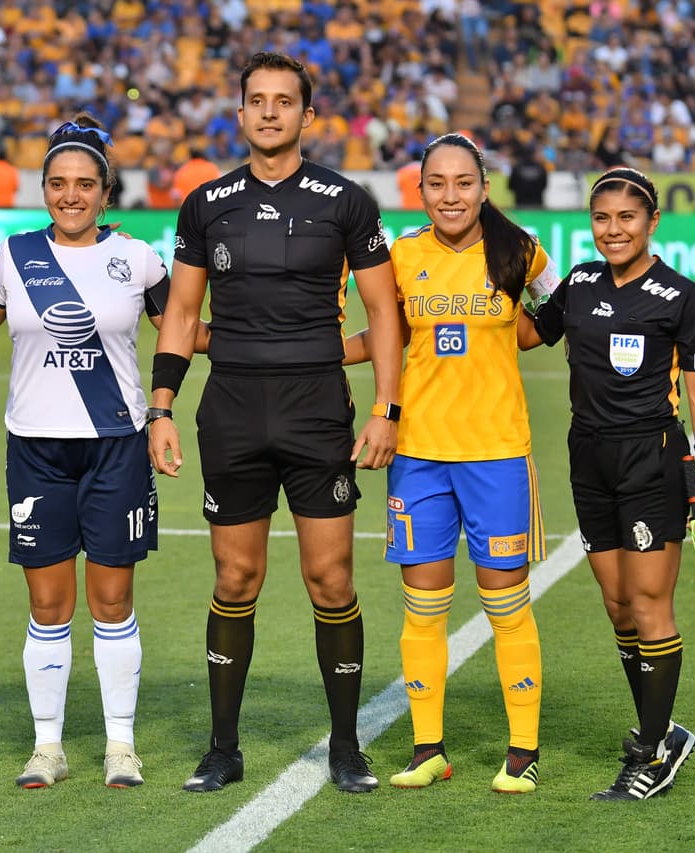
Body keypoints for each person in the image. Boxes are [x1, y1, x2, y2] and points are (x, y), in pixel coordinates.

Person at [148, 51, 404, 794]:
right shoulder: (206, 203)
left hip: (318, 408)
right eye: (256, 100)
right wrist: (161, 407)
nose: (269, 112)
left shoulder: (346, 201)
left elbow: (384, 312)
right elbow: (183, 314)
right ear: (240, 114)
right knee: (236, 576)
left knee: (330, 578)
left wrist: (386, 407)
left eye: (283, 101)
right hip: (230, 409)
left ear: (306, 115)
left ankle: (348, 747)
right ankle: (222, 747)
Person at [0, 114, 199, 790]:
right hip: (36, 450)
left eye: (85, 184)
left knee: (111, 602)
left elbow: (187, 329)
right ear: (44, 189)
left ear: (106, 192)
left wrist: (281, 334)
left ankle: (121, 746)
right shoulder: (15, 256)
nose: (71, 194)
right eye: (58, 183)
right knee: (49, 606)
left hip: (116, 447)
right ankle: (47, 748)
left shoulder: (139, 258)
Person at [343, 133, 559, 794]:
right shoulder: (400, 255)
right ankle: (428, 746)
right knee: (423, 607)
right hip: (420, 458)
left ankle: (523, 749)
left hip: (496, 455)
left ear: (483, 186)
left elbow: (554, 311)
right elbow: (381, 332)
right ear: (421, 190)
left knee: (506, 604)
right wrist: (311, 353)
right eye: (437, 183)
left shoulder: (520, 248)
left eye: (463, 182)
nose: (451, 195)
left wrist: (512, 334)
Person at [521, 167, 695, 800]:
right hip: (588, 459)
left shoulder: (682, 296)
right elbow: (531, 334)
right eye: (602, 219)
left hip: (651, 460)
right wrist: (503, 279)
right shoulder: (579, 282)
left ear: (651, 222)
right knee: (616, 606)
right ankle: (661, 731)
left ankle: (655, 751)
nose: (613, 230)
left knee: (648, 604)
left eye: (626, 218)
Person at [507, 145, 549, 209]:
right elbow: (545, 185)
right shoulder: (541, 168)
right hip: (537, 205)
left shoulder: (516, 168)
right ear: (534, 154)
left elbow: (510, 186)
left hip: (520, 204)